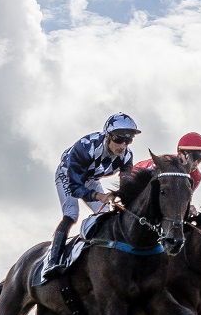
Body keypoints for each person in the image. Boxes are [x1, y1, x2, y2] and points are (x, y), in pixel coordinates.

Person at [44, 112, 141, 278]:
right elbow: (75, 187)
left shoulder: (126, 156)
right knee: (71, 214)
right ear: (108, 136)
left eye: (129, 140)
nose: (123, 145)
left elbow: (126, 185)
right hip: (68, 175)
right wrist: (99, 196)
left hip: (91, 178)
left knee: (106, 215)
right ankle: (53, 260)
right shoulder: (85, 148)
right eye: (119, 139)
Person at [133, 132, 201, 215]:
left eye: (200, 158)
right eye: (193, 157)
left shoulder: (196, 176)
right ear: (180, 154)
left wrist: (187, 208)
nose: (195, 163)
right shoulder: (164, 163)